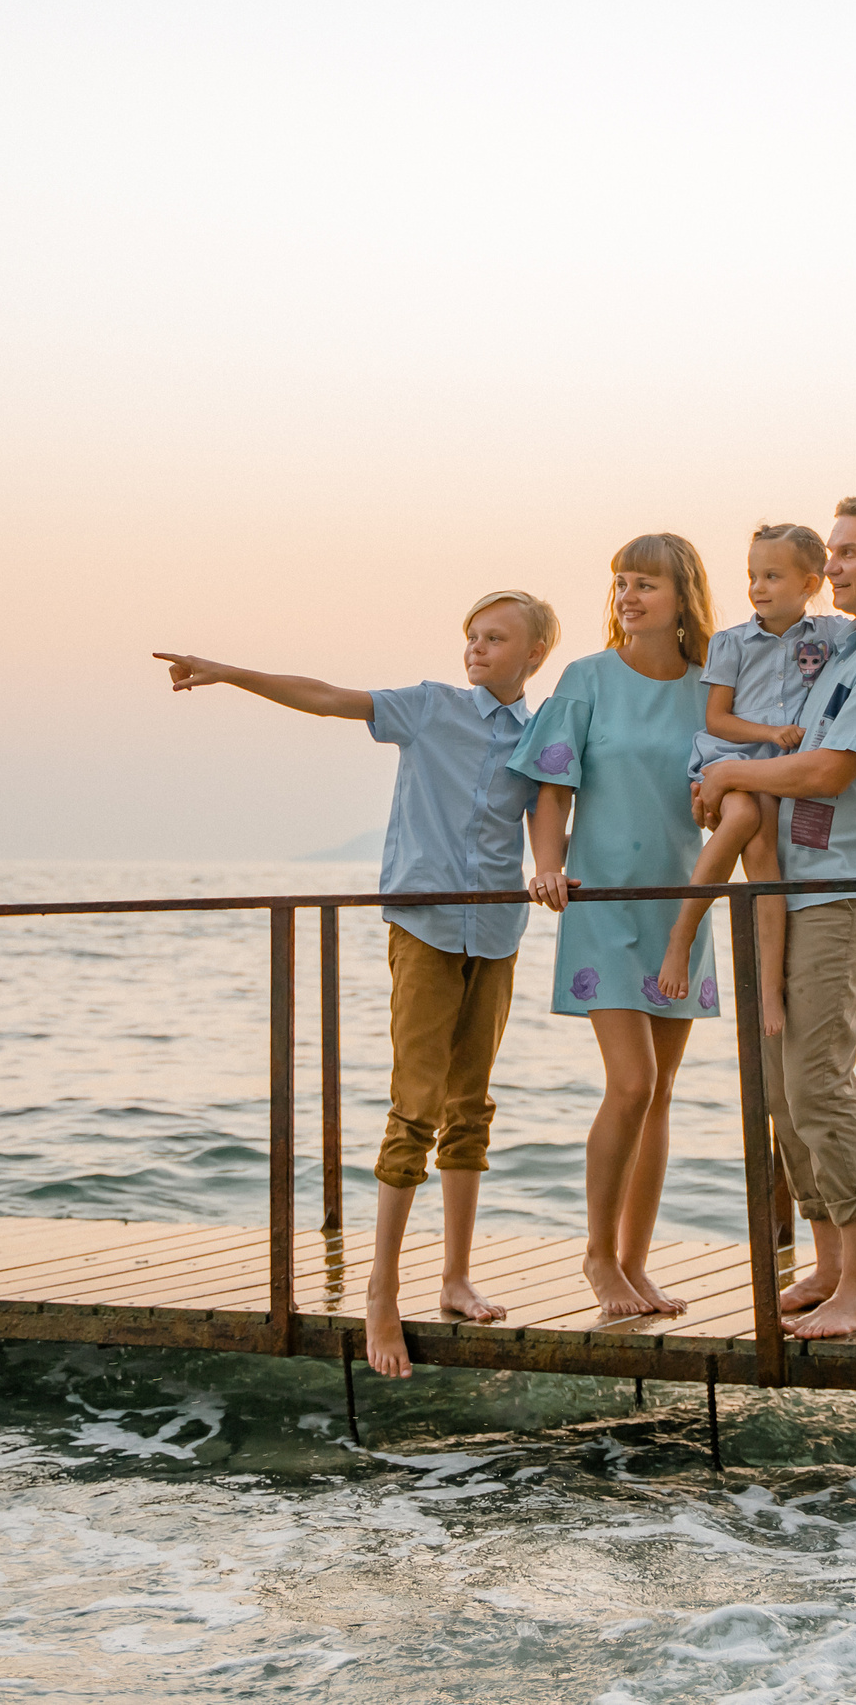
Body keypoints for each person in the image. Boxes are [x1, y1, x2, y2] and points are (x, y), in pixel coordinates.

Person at [151, 588, 559, 1378]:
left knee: (471, 1106)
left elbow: (549, 809)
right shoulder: (428, 707)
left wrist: (550, 869)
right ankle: (381, 1287)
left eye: (495, 638)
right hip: (425, 929)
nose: (476, 648)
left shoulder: (542, 732)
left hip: (498, 934)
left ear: (534, 652)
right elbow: (328, 697)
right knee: (416, 1108)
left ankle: (456, 1277)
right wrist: (227, 671)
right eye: (471, 635)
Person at [692, 493, 856, 1340]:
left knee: (816, 1077)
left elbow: (828, 770)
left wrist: (732, 779)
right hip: (790, 885)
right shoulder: (850, 649)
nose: (833, 566)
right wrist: (728, 779)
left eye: (849, 553)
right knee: (779, 1082)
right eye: (831, 553)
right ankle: (831, 1263)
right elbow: (786, 747)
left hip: (842, 885)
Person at [509, 533, 717, 1318]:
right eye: (623, 583)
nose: (629, 596)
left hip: (681, 910)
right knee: (629, 1082)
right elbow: (550, 788)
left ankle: (635, 1262)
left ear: (682, 597)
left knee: (661, 1092)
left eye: (647, 585)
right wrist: (549, 864)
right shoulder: (585, 678)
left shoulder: (709, 691)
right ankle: (597, 1257)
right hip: (599, 903)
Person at [658, 524, 856, 1036]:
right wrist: (769, 733)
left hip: (778, 774)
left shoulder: (832, 636)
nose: (758, 587)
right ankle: (682, 936)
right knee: (741, 819)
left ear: (810, 584)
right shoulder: (732, 643)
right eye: (752, 576)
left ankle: (767, 992)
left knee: (767, 865)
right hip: (733, 756)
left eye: (772, 576)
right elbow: (717, 719)